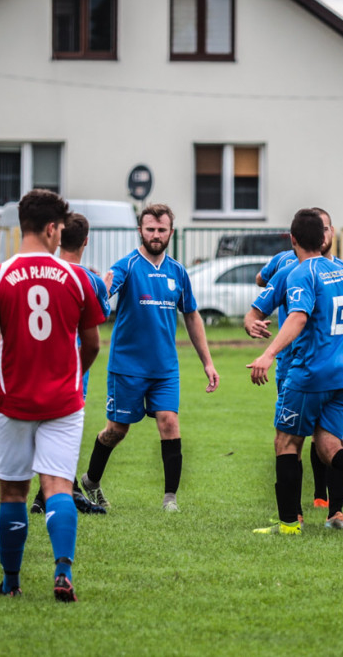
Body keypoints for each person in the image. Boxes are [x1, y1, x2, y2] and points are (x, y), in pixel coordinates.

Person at [0, 189, 105, 602]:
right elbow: (93, 343)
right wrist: (73, 371)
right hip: (63, 401)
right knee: (58, 485)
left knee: (13, 492)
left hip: (12, 401)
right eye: (60, 229)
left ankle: (11, 582)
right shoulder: (78, 278)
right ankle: (62, 572)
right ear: (50, 229)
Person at [248, 208, 343, 536]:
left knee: (286, 442)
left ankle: (289, 524)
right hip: (342, 375)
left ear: (293, 240)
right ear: (324, 238)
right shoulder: (342, 271)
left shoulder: (302, 273)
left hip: (308, 374)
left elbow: (298, 317)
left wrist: (268, 354)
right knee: (331, 447)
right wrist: (342, 343)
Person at [80, 204, 219, 514]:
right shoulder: (127, 266)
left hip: (165, 368)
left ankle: (170, 499)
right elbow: (104, 293)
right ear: (140, 231)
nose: (156, 235)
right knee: (117, 431)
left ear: (171, 232)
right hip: (127, 367)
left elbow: (192, 315)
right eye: (150, 229)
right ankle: (90, 482)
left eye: (162, 230)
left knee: (170, 422)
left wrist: (207, 362)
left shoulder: (178, 272)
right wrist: (100, 286)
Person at [30, 212, 111, 516]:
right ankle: (61, 493)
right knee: (65, 431)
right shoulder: (89, 280)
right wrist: (103, 285)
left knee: (45, 428)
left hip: (39, 360)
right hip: (74, 363)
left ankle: (47, 495)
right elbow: (100, 315)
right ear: (86, 241)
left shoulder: (42, 272)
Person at [254, 243, 331, 512]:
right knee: (290, 435)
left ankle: (324, 498)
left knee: (328, 437)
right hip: (290, 359)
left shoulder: (337, 269)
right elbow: (260, 280)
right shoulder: (284, 263)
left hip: (317, 359)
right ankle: (294, 510)